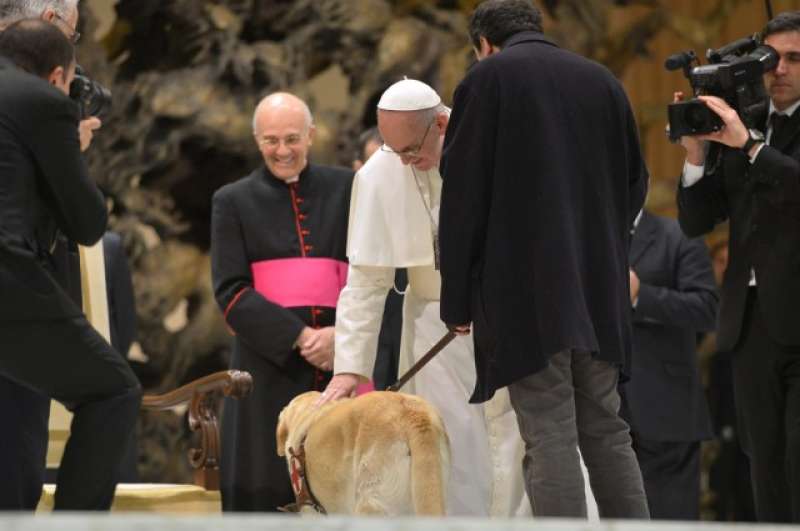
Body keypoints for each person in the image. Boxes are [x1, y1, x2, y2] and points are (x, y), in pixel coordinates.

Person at [438, 0, 650, 519]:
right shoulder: (603, 80)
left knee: (550, 431)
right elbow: (636, 185)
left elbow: (462, 199)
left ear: (484, 44)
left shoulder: (486, 81)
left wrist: (457, 301)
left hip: (525, 294)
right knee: (608, 431)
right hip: (599, 291)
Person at [320, 79, 531, 517]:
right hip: (433, 331)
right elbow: (365, 282)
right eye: (394, 152)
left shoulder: (496, 147)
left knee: (515, 441)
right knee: (449, 447)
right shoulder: (380, 173)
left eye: (413, 150)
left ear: (441, 123)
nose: (407, 163)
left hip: (510, 322)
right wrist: (350, 368)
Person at [0, 19, 141, 510]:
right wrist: (71, 150)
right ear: (58, 75)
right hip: (8, 281)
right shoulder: (44, 103)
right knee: (114, 392)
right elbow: (85, 223)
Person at [674, 10, 800, 523]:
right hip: (748, 321)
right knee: (761, 459)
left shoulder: (749, 136)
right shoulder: (743, 122)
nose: (780, 70)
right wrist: (697, 153)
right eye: (771, 59)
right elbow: (696, 222)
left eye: (794, 58)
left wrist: (749, 146)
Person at [210, 92, 352, 512]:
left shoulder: (347, 188)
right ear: (257, 141)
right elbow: (230, 292)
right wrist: (301, 336)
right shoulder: (232, 200)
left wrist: (341, 336)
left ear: (311, 135)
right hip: (267, 369)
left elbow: (370, 273)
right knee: (267, 490)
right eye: (271, 140)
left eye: (292, 138)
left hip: (340, 362)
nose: (282, 150)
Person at [620, 209, 718, 519]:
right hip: (597, 408)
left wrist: (640, 296)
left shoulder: (678, 235)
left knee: (670, 520)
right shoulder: (588, 235)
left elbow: (706, 309)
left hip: (665, 410)